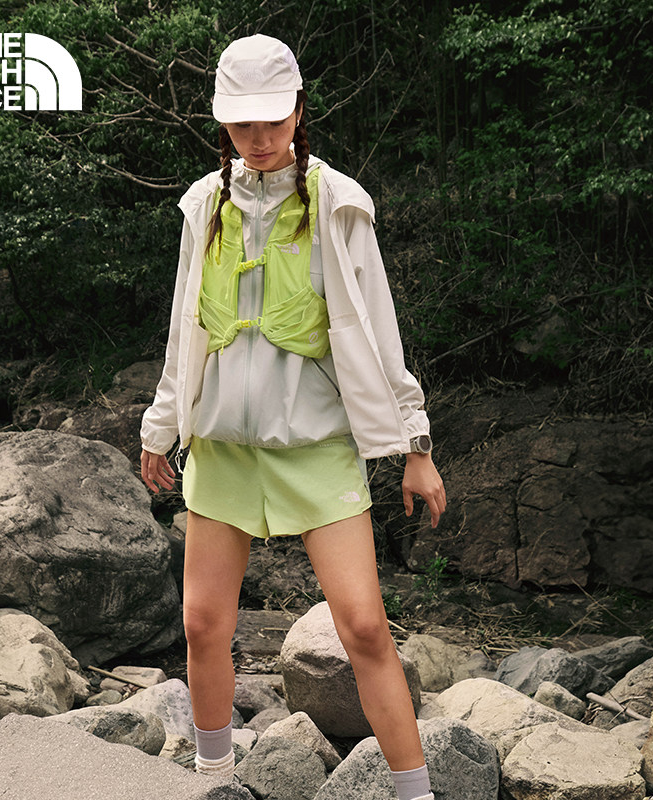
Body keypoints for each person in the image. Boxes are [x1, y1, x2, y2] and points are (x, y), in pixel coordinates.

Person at [139, 33, 445, 800]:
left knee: (364, 627)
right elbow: (184, 328)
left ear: (300, 111)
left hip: (316, 446)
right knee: (203, 624)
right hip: (223, 448)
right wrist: (160, 428)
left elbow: (378, 327)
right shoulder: (203, 205)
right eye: (243, 123)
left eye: (273, 120)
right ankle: (214, 781)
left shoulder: (338, 203)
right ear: (223, 122)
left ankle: (417, 795)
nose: (260, 137)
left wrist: (415, 442)